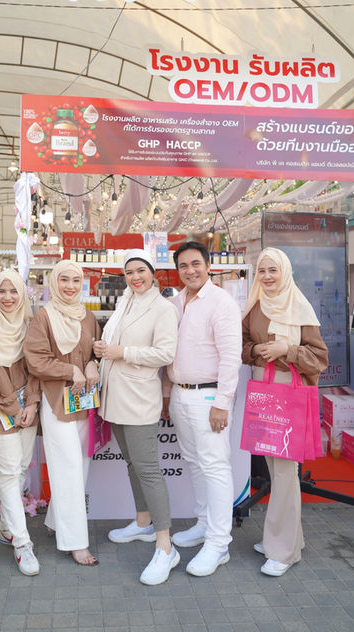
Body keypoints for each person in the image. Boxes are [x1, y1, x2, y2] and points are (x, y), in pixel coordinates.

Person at [94, 248, 179, 586]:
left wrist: (122, 352)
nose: (135, 277)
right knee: (132, 464)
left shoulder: (163, 308)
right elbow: (113, 342)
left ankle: (165, 546)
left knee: (148, 470)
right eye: (129, 272)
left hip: (139, 399)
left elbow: (166, 353)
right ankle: (143, 522)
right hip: (115, 396)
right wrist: (104, 349)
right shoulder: (125, 302)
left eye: (140, 270)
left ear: (153, 273)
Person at [242, 247, 328, 576]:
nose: (266, 276)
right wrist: (256, 350)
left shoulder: (300, 306)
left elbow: (319, 358)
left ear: (285, 272)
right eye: (262, 270)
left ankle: (283, 551)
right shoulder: (255, 306)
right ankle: (286, 539)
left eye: (273, 270)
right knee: (273, 468)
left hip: (288, 392)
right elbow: (243, 344)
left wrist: (287, 350)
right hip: (263, 390)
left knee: (285, 472)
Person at [163, 241, 242, 577]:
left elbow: (231, 357)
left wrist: (222, 402)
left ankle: (218, 543)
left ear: (208, 266)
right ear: (177, 270)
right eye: (183, 266)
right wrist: (167, 394)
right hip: (180, 394)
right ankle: (203, 523)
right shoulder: (175, 302)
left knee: (215, 467)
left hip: (209, 396)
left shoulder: (221, 302)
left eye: (196, 263)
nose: (190, 270)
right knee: (194, 462)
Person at [24, 260, 101, 565]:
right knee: (67, 468)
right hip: (57, 401)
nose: (70, 286)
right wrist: (70, 370)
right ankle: (75, 542)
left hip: (83, 402)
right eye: (64, 280)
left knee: (80, 465)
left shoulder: (87, 315)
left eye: (76, 280)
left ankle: (57, 520)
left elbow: (95, 350)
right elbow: (35, 361)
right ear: (54, 283)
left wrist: (93, 364)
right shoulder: (44, 317)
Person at [0, 269, 41, 576]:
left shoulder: (29, 325)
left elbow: (37, 369)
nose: (7, 297)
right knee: (8, 474)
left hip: (28, 409)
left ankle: (7, 528)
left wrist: (32, 403)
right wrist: (16, 408)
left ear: (22, 294)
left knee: (20, 469)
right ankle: (22, 544)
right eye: (1, 291)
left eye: (13, 291)